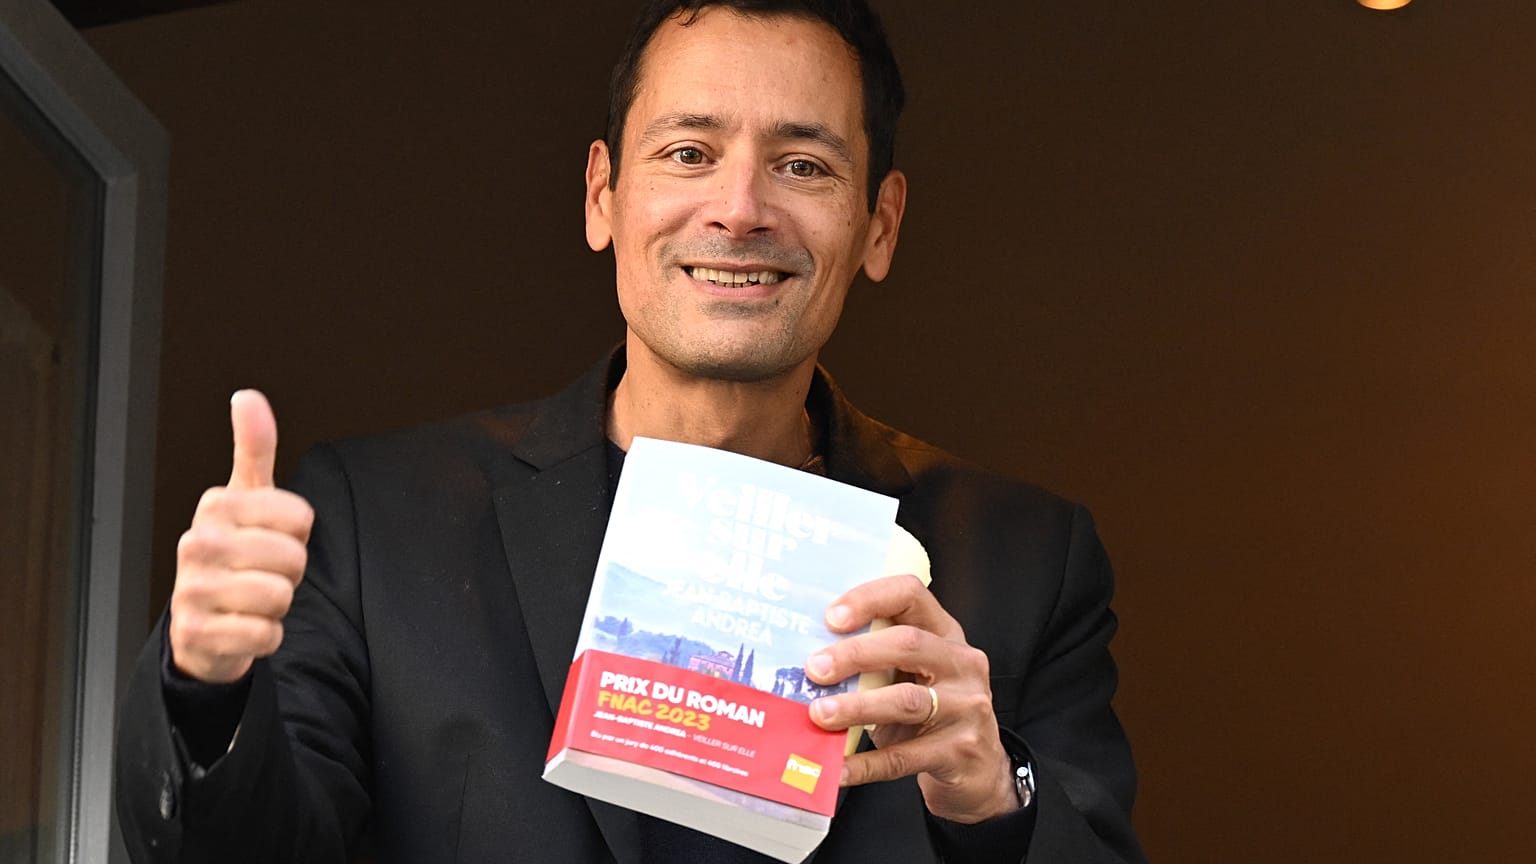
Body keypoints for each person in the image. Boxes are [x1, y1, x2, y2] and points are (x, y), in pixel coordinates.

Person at [114, 1, 1145, 862]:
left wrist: (995, 795)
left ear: (880, 223)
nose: (739, 209)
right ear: (604, 194)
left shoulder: (1022, 558)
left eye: (804, 167)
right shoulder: (379, 519)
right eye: (689, 152)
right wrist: (207, 688)